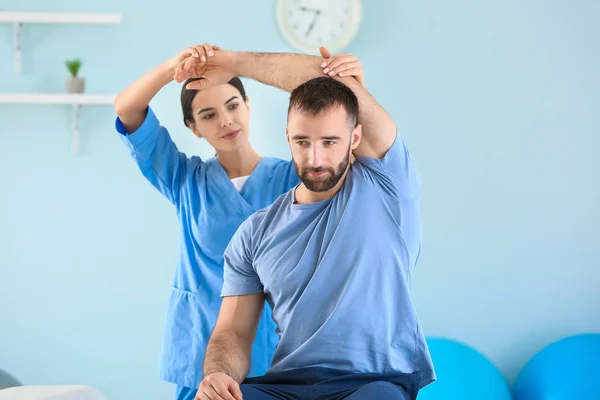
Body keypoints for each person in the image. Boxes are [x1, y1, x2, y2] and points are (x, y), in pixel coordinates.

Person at [174, 49, 435, 400]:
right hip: (287, 386)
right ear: (287, 137)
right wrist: (217, 375)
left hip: (373, 382)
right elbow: (232, 332)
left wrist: (235, 64)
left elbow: (332, 82)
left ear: (354, 138)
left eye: (330, 142)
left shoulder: (386, 182)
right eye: (302, 142)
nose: (315, 159)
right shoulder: (254, 233)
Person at [113, 44, 366, 400]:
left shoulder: (293, 176)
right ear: (194, 127)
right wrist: (176, 67)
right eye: (209, 114)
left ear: (248, 107)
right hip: (202, 348)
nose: (226, 120)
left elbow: (334, 106)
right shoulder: (184, 180)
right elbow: (126, 108)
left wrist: (353, 83)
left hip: (279, 350)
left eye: (232, 106)